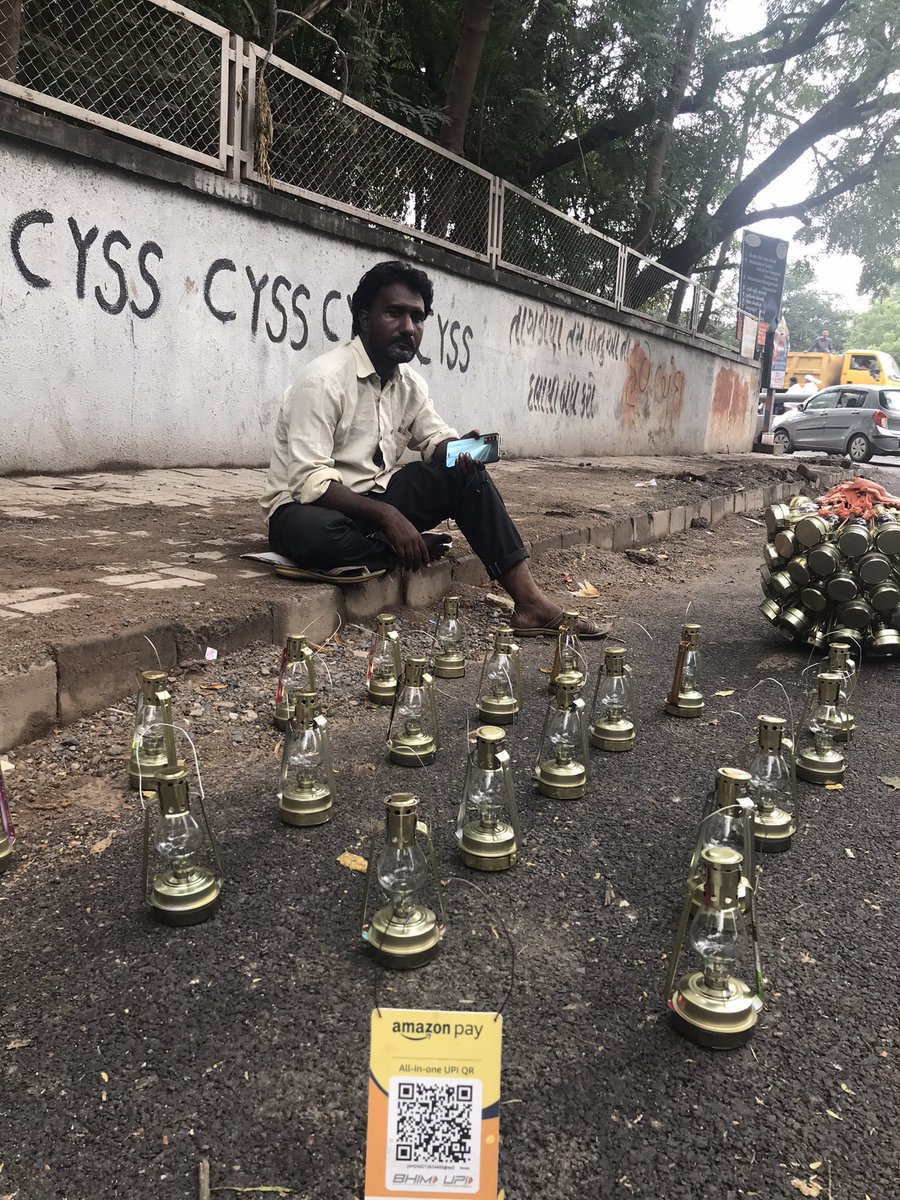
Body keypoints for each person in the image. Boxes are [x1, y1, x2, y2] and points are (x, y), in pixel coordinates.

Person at [260, 260, 604, 637]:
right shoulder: (324, 380)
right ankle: (394, 544)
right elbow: (310, 481)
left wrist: (462, 450)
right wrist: (390, 518)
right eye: (394, 313)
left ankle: (530, 604)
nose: (408, 327)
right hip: (306, 508)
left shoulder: (409, 383)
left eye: (417, 318)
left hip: (373, 499)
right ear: (363, 320)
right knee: (324, 537)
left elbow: (434, 439)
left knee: (467, 475)